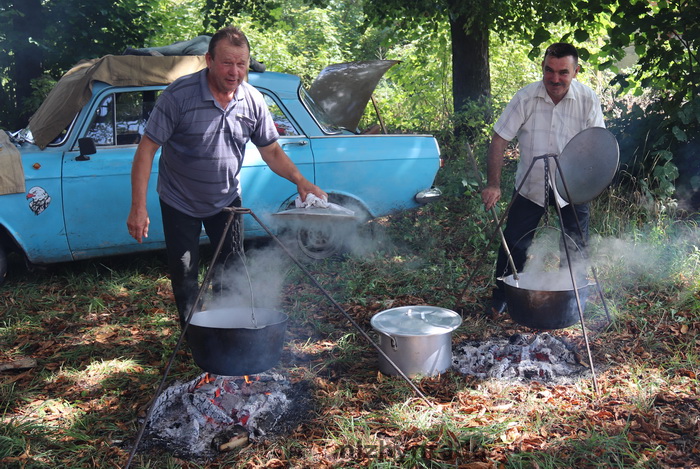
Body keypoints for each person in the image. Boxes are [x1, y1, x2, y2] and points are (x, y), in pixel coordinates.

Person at [126, 26, 326, 326]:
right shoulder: (178, 96)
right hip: (179, 200)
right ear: (209, 60)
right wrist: (138, 207)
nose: (235, 71)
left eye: (241, 63)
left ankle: (225, 331)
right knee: (184, 274)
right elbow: (146, 151)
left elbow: (271, 150)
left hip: (226, 200)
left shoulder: (253, 100)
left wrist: (300, 180)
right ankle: (192, 335)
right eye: (227, 63)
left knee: (231, 270)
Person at [481, 42, 605, 316]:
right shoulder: (526, 97)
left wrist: (591, 183)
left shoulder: (587, 99)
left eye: (563, 72)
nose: (555, 78)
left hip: (573, 189)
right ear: (543, 68)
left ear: (576, 71)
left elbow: (598, 144)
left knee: (575, 244)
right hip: (531, 185)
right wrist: (493, 184)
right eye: (549, 71)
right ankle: (503, 295)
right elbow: (500, 139)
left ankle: (572, 300)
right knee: (514, 242)